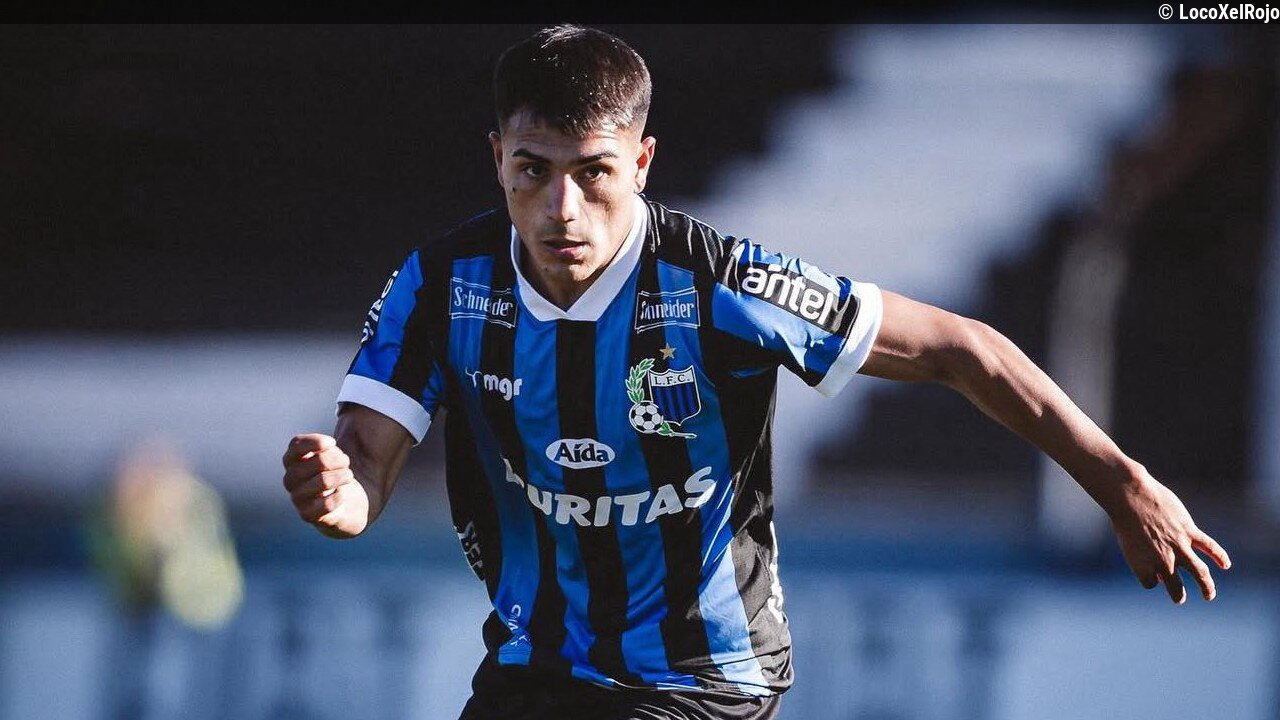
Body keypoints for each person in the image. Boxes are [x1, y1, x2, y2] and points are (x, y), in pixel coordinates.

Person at [281, 24, 1232, 720]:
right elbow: (367, 460)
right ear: (497, 160)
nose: (562, 206)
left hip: (702, 678)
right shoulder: (443, 286)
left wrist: (1121, 482)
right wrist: (341, 494)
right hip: (535, 668)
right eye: (533, 169)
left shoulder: (720, 283)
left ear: (642, 163)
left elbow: (960, 349)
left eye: (594, 172)